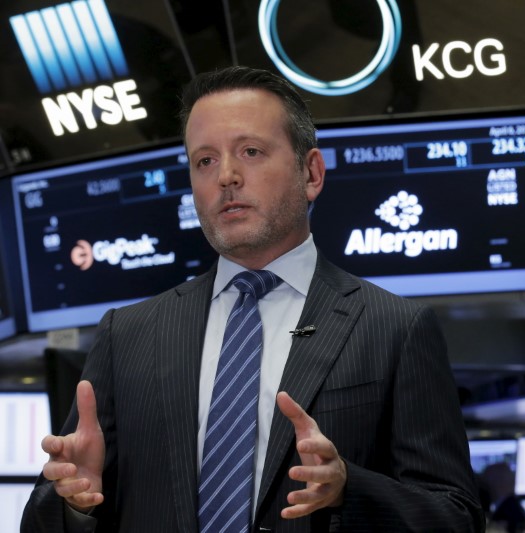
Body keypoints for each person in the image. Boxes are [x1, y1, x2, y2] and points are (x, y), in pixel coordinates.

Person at [21, 66, 484, 533]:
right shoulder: (129, 334)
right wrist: (74, 503)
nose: (226, 176)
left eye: (251, 151)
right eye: (204, 160)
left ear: (312, 173)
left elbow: (456, 517)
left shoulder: (395, 328)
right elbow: (43, 520)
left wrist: (349, 489)